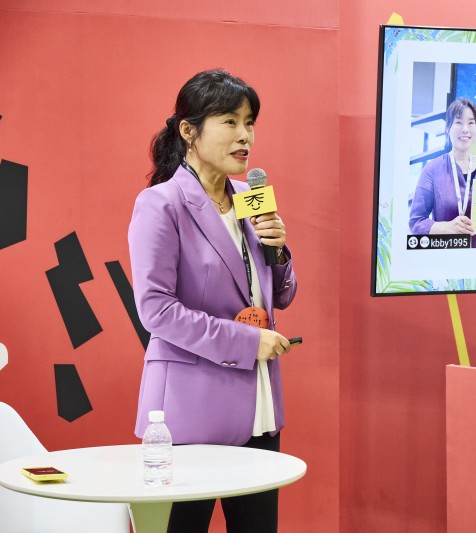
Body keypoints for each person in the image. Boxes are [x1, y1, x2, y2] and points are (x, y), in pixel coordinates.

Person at [128, 69, 297, 533]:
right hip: (189, 412)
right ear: (189, 131)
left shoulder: (249, 197)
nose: (245, 136)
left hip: (259, 404)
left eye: (250, 123)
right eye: (230, 122)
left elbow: (280, 294)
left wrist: (279, 250)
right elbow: (157, 310)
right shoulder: (161, 204)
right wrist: (248, 342)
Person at [408, 97, 476, 248]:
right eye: (458, 122)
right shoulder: (433, 168)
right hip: (446, 257)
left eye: (471, 123)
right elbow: (416, 222)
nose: (465, 129)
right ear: (447, 128)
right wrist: (447, 227)